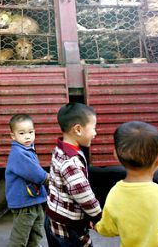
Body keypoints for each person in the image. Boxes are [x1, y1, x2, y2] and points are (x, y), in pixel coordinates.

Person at [44, 103, 102, 247]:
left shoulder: (60, 149)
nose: (95, 133)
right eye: (93, 128)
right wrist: (98, 217)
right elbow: (84, 195)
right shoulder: (71, 162)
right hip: (68, 228)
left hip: (54, 219)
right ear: (77, 129)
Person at [5, 114, 49, 247]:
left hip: (33, 200)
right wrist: (49, 178)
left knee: (35, 232)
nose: (28, 136)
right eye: (22, 133)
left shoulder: (27, 149)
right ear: (13, 136)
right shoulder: (18, 153)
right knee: (20, 236)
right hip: (24, 203)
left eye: (31, 132)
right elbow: (34, 172)